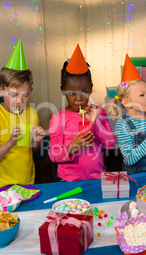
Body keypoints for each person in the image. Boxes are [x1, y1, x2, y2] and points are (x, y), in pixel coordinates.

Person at [0, 39, 46, 188]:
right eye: (13, 94)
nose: (19, 101)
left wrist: (37, 140)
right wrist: (11, 142)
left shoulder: (31, 113)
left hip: (27, 182)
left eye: (25, 95)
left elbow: (33, 149)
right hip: (0, 186)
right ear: (0, 91)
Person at [49, 45, 115, 182]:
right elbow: (53, 155)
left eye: (84, 92)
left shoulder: (98, 112)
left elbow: (110, 144)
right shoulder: (58, 118)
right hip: (67, 180)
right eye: (72, 93)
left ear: (91, 88)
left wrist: (94, 122)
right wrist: (71, 148)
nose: (79, 98)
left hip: (97, 177)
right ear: (63, 90)